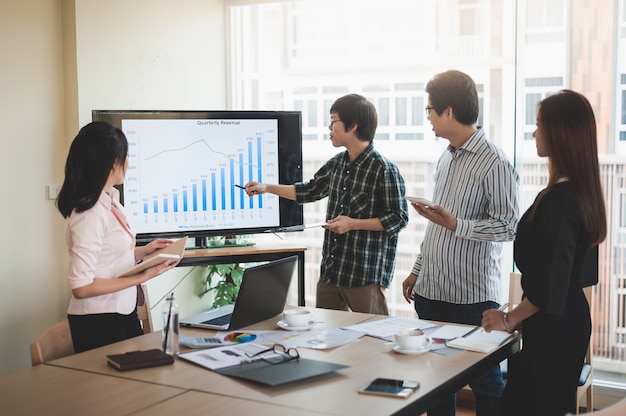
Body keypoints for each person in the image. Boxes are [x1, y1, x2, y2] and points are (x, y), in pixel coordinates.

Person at [401, 70, 519, 416]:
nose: (429, 120)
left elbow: (508, 226)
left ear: (448, 112)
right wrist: (417, 270)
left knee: (487, 385)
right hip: (431, 291)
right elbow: (437, 226)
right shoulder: (445, 157)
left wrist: (458, 224)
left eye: (430, 111)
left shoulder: (494, 162)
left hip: (471, 297)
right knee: (437, 382)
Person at [481, 90, 607, 416]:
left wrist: (507, 319)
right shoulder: (575, 191)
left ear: (560, 133)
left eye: (539, 125)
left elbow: (548, 284)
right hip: (562, 320)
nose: (534, 133)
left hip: (554, 327)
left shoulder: (562, 201)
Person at [244, 93, 408, 314]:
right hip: (331, 273)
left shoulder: (384, 169)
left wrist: (353, 224)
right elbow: (310, 190)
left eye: (333, 121)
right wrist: (266, 188)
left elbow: (398, 218)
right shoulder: (338, 163)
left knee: (373, 340)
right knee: (326, 339)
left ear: (353, 126)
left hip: (364, 276)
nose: (329, 127)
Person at [57, 121, 180, 353]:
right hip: (98, 321)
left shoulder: (110, 201)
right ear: (111, 162)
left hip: (121, 311)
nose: (128, 163)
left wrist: (144, 252)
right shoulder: (89, 213)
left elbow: (106, 255)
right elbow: (81, 287)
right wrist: (143, 275)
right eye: (125, 156)